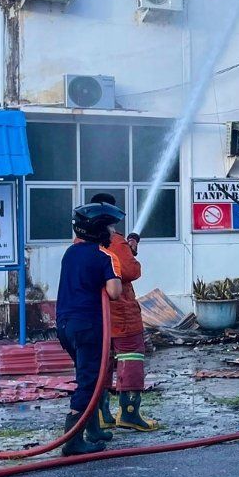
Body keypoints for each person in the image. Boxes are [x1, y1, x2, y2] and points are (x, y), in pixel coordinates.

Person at [56, 202, 124, 456]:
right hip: (88, 326)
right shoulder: (104, 256)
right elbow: (114, 292)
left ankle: (93, 430)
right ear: (98, 230)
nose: (113, 231)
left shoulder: (70, 253)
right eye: (110, 226)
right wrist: (111, 271)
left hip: (65, 325)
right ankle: (73, 441)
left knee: (89, 374)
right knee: (89, 380)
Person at [88, 194, 159, 433]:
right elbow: (130, 271)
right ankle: (129, 413)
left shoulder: (81, 240)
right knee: (131, 359)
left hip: (98, 315)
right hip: (122, 314)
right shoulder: (114, 241)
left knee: (102, 363)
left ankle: (101, 414)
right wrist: (130, 252)